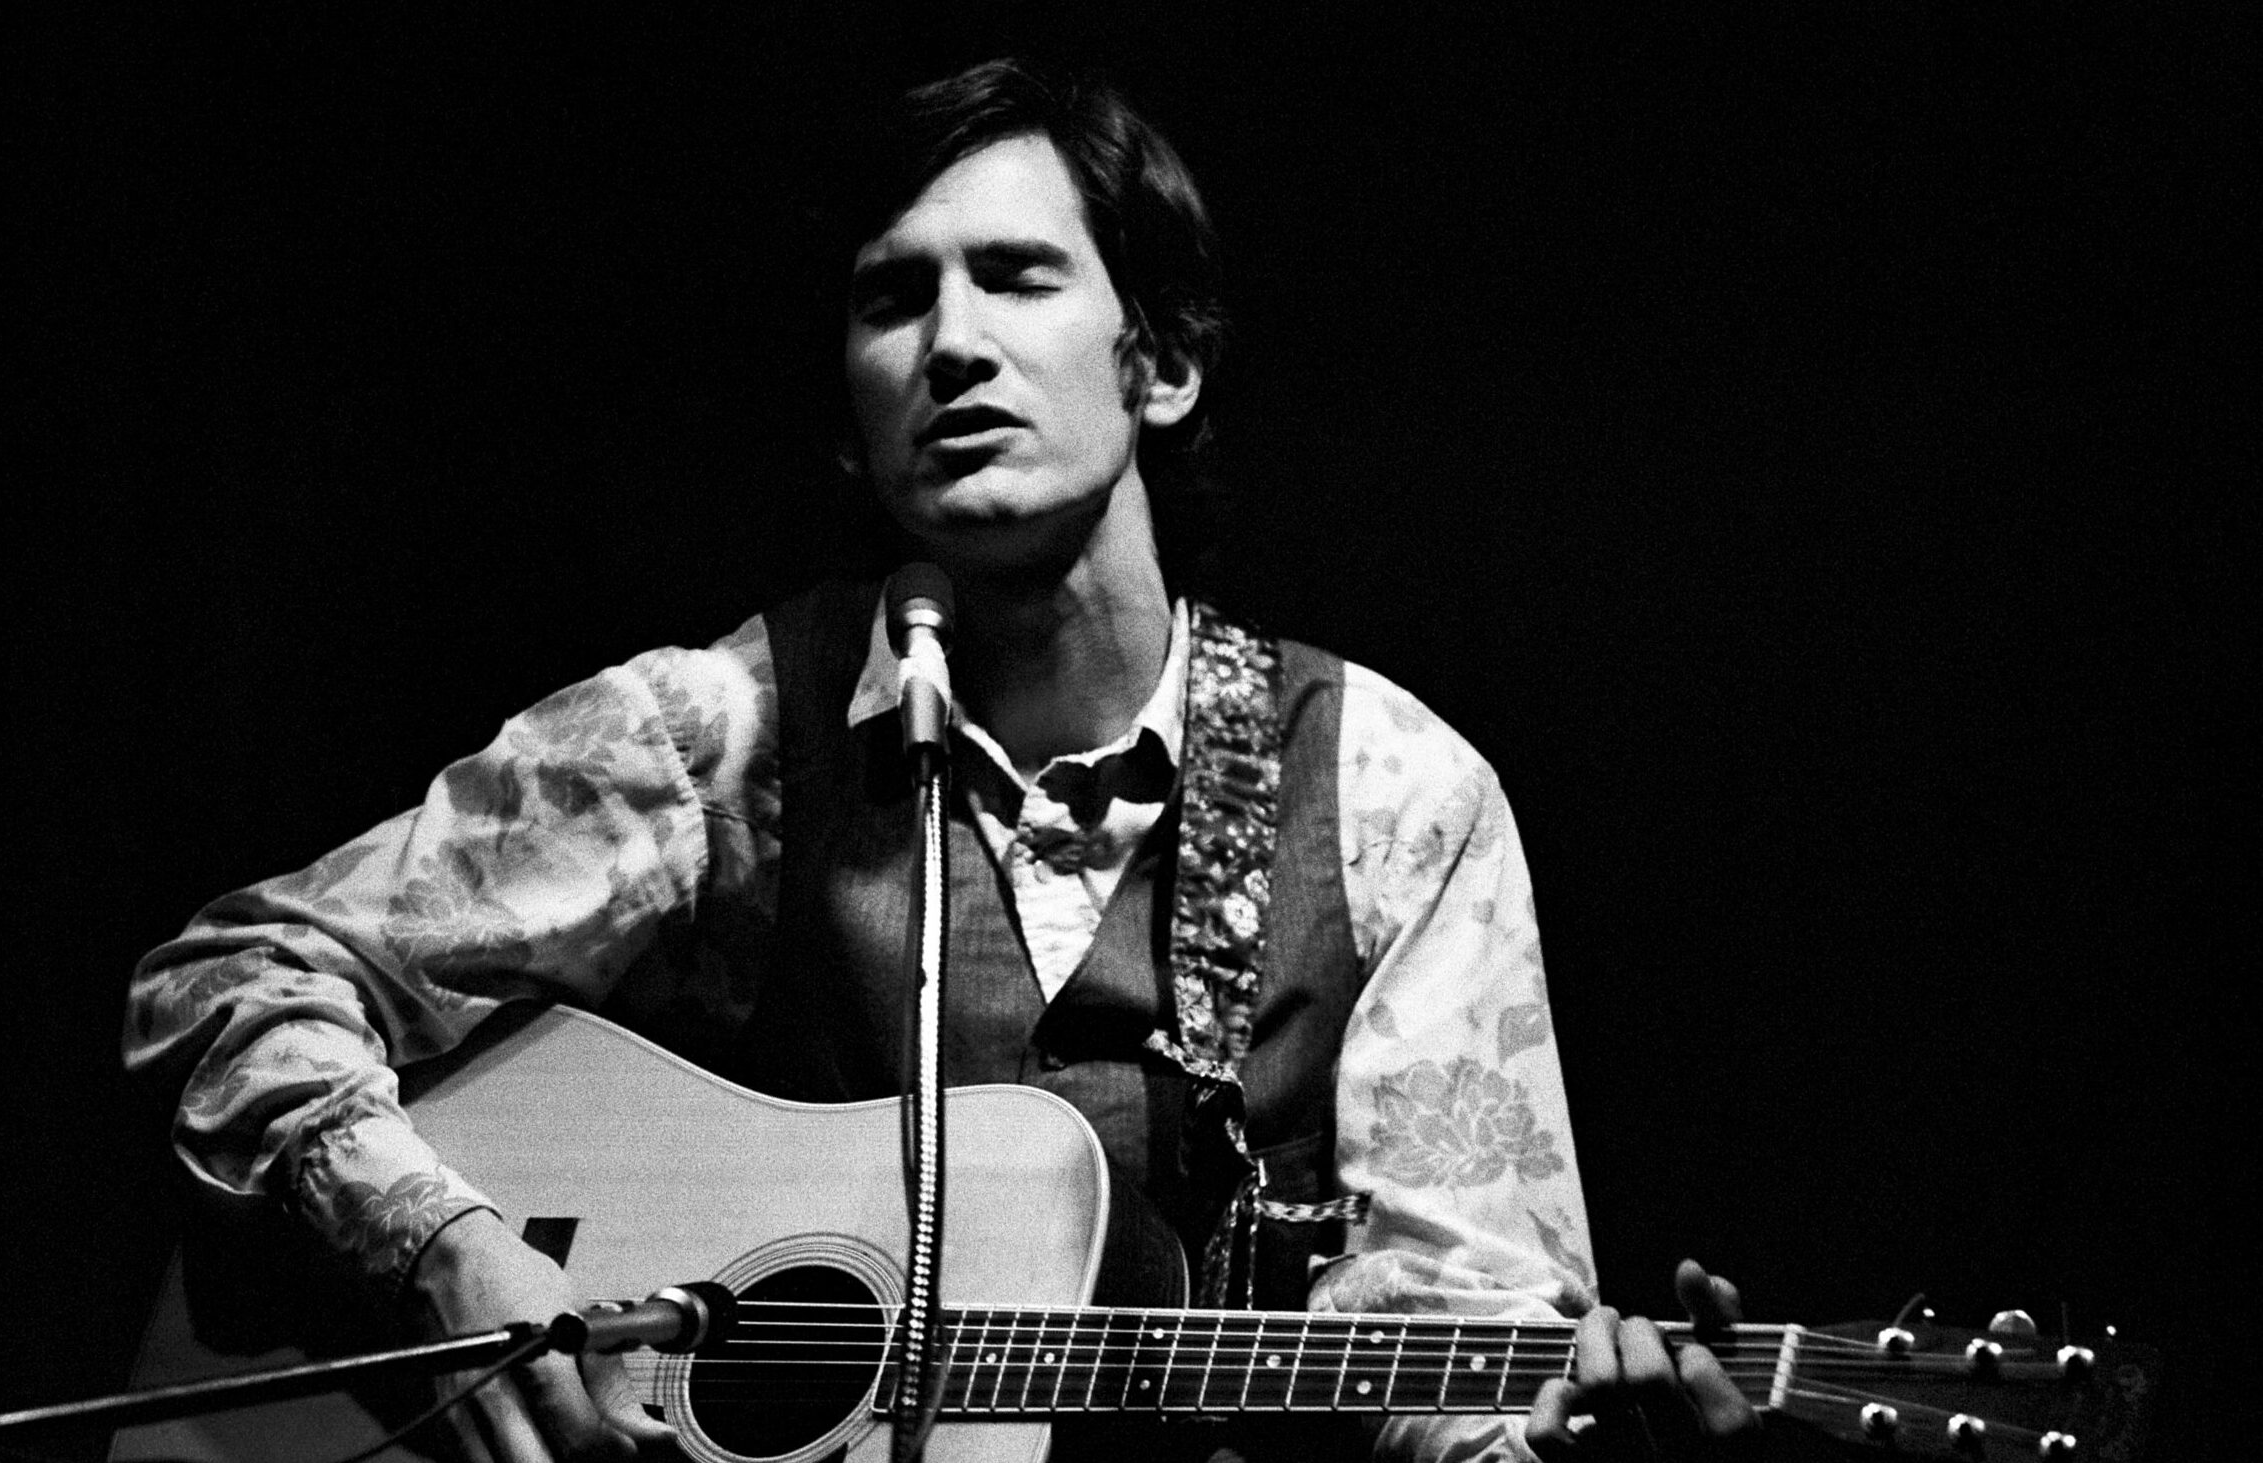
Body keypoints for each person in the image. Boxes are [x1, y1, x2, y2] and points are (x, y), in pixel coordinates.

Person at [126, 58, 1761, 1463]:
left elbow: (1450, 1344)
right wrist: (452, 1259)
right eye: (891, 298)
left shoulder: (1390, 794)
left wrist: (1562, 1438)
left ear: (1162, 363)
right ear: (852, 414)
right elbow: (231, 978)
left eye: (1017, 278)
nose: (950, 344)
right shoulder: (718, 739)